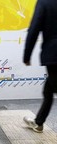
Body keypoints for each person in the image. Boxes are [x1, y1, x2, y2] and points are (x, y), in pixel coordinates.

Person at [23, 0, 57, 133]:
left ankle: (38, 123)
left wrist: (27, 56)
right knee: (48, 90)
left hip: (54, 54)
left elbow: (34, 29)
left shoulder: (45, 2)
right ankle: (38, 123)